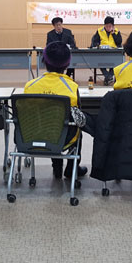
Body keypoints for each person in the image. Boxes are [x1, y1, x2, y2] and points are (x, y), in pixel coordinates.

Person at [24, 41, 91, 179]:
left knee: (48, 123)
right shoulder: (72, 87)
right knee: (74, 128)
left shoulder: (30, 86)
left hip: (34, 135)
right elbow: (78, 116)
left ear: (44, 61)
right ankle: (72, 168)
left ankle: (57, 166)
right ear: (67, 63)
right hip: (64, 138)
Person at [90, 16, 122, 85]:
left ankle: (108, 77)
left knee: (116, 62)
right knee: (99, 61)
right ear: (104, 25)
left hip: (113, 53)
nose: (108, 28)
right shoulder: (99, 31)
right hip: (102, 52)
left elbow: (119, 42)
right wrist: (97, 45)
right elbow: (95, 42)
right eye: (106, 26)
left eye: (110, 26)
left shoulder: (116, 31)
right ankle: (108, 76)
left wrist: (113, 34)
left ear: (113, 26)